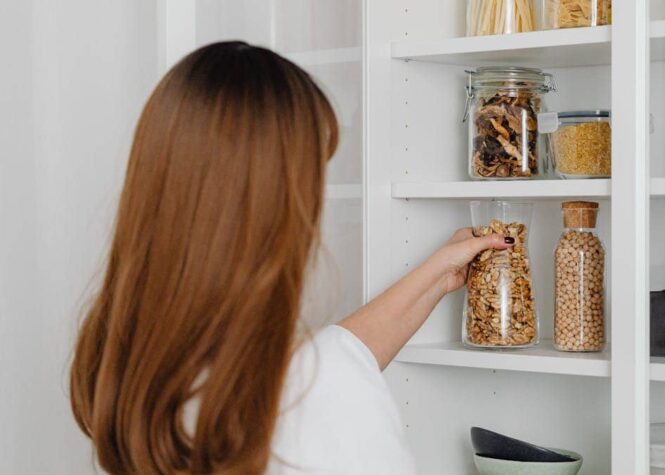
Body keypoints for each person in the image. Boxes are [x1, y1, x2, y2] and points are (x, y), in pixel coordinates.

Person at [69, 41, 513, 474]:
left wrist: (436, 275)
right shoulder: (323, 393)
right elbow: (320, 378)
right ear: (277, 199)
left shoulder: (128, 361)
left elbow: (329, 357)